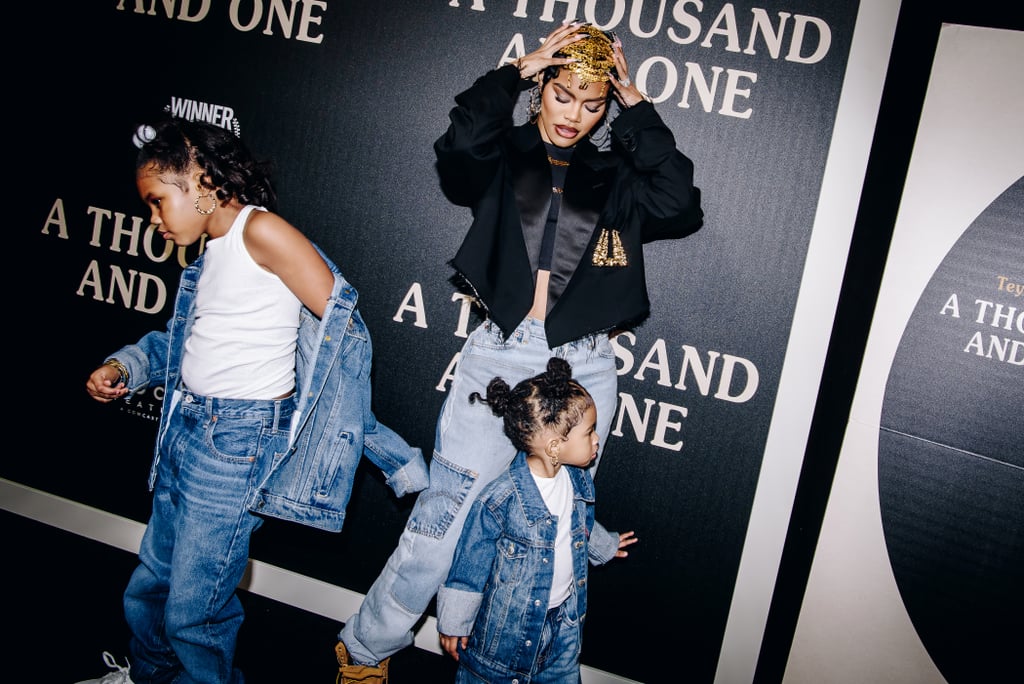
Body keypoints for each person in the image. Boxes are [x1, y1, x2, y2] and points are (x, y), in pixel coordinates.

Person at [335, 21, 702, 682]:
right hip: (501, 351)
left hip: (584, 364)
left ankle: (485, 648)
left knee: (548, 517)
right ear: (545, 92)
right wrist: (517, 70)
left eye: (593, 106)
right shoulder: (504, 151)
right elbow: (459, 145)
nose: (576, 116)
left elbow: (678, 197)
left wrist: (637, 105)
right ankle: (364, 651)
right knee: (446, 514)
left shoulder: (618, 170)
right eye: (564, 96)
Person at [79, 118, 427, 684]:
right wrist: (127, 365)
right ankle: (147, 676)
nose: (153, 220)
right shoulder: (208, 258)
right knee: (152, 583)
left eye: (157, 201)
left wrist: (379, 447)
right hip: (184, 432)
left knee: (197, 609)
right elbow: (183, 340)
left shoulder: (258, 231)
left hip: (234, 445)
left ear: (199, 180)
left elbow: (342, 339)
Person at [438, 357, 637, 682]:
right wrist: (454, 622)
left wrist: (605, 545)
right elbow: (470, 563)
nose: (597, 439)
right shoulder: (500, 499)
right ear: (556, 446)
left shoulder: (576, 479)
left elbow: (578, 522)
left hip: (564, 626)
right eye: (589, 433)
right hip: (506, 634)